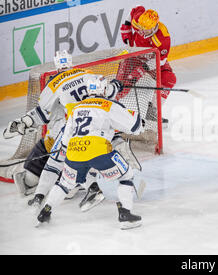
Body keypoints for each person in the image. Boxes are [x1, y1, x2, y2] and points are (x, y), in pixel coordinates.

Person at [3, 50, 123, 211]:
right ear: (71, 63)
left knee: (56, 161)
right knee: (87, 158)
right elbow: (108, 92)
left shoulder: (54, 84)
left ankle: (41, 195)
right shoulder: (87, 74)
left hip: (74, 126)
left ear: (57, 67)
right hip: (99, 128)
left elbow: (41, 114)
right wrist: (116, 85)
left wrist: (23, 123)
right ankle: (100, 183)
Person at [36, 75, 145, 229]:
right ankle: (125, 214)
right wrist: (140, 123)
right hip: (97, 150)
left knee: (64, 183)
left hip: (74, 152)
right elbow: (133, 127)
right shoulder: (107, 105)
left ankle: (45, 212)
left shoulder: (77, 108)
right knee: (126, 176)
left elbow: (66, 140)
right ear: (104, 89)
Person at [118, 5, 176, 125]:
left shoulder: (163, 38)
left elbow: (161, 61)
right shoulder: (139, 20)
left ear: (155, 26)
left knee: (169, 79)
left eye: (146, 29)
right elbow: (133, 11)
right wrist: (126, 34)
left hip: (152, 60)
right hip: (133, 56)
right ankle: (108, 108)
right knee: (121, 85)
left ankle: (152, 110)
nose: (143, 31)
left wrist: (143, 69)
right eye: (141, 28)